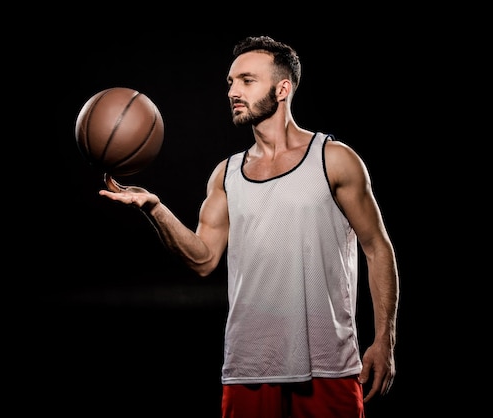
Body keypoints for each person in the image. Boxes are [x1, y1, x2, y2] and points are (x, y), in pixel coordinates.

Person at [98, 35, 399, 418]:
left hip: (329, 367)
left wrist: (384, 339)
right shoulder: (226, 176)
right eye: (230, 82)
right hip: (249, 369)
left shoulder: (335, 160)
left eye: (246, 80)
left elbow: (377, 248)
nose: (233, 91)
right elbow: (203, 259)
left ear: (283, 88)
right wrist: (154, 207)